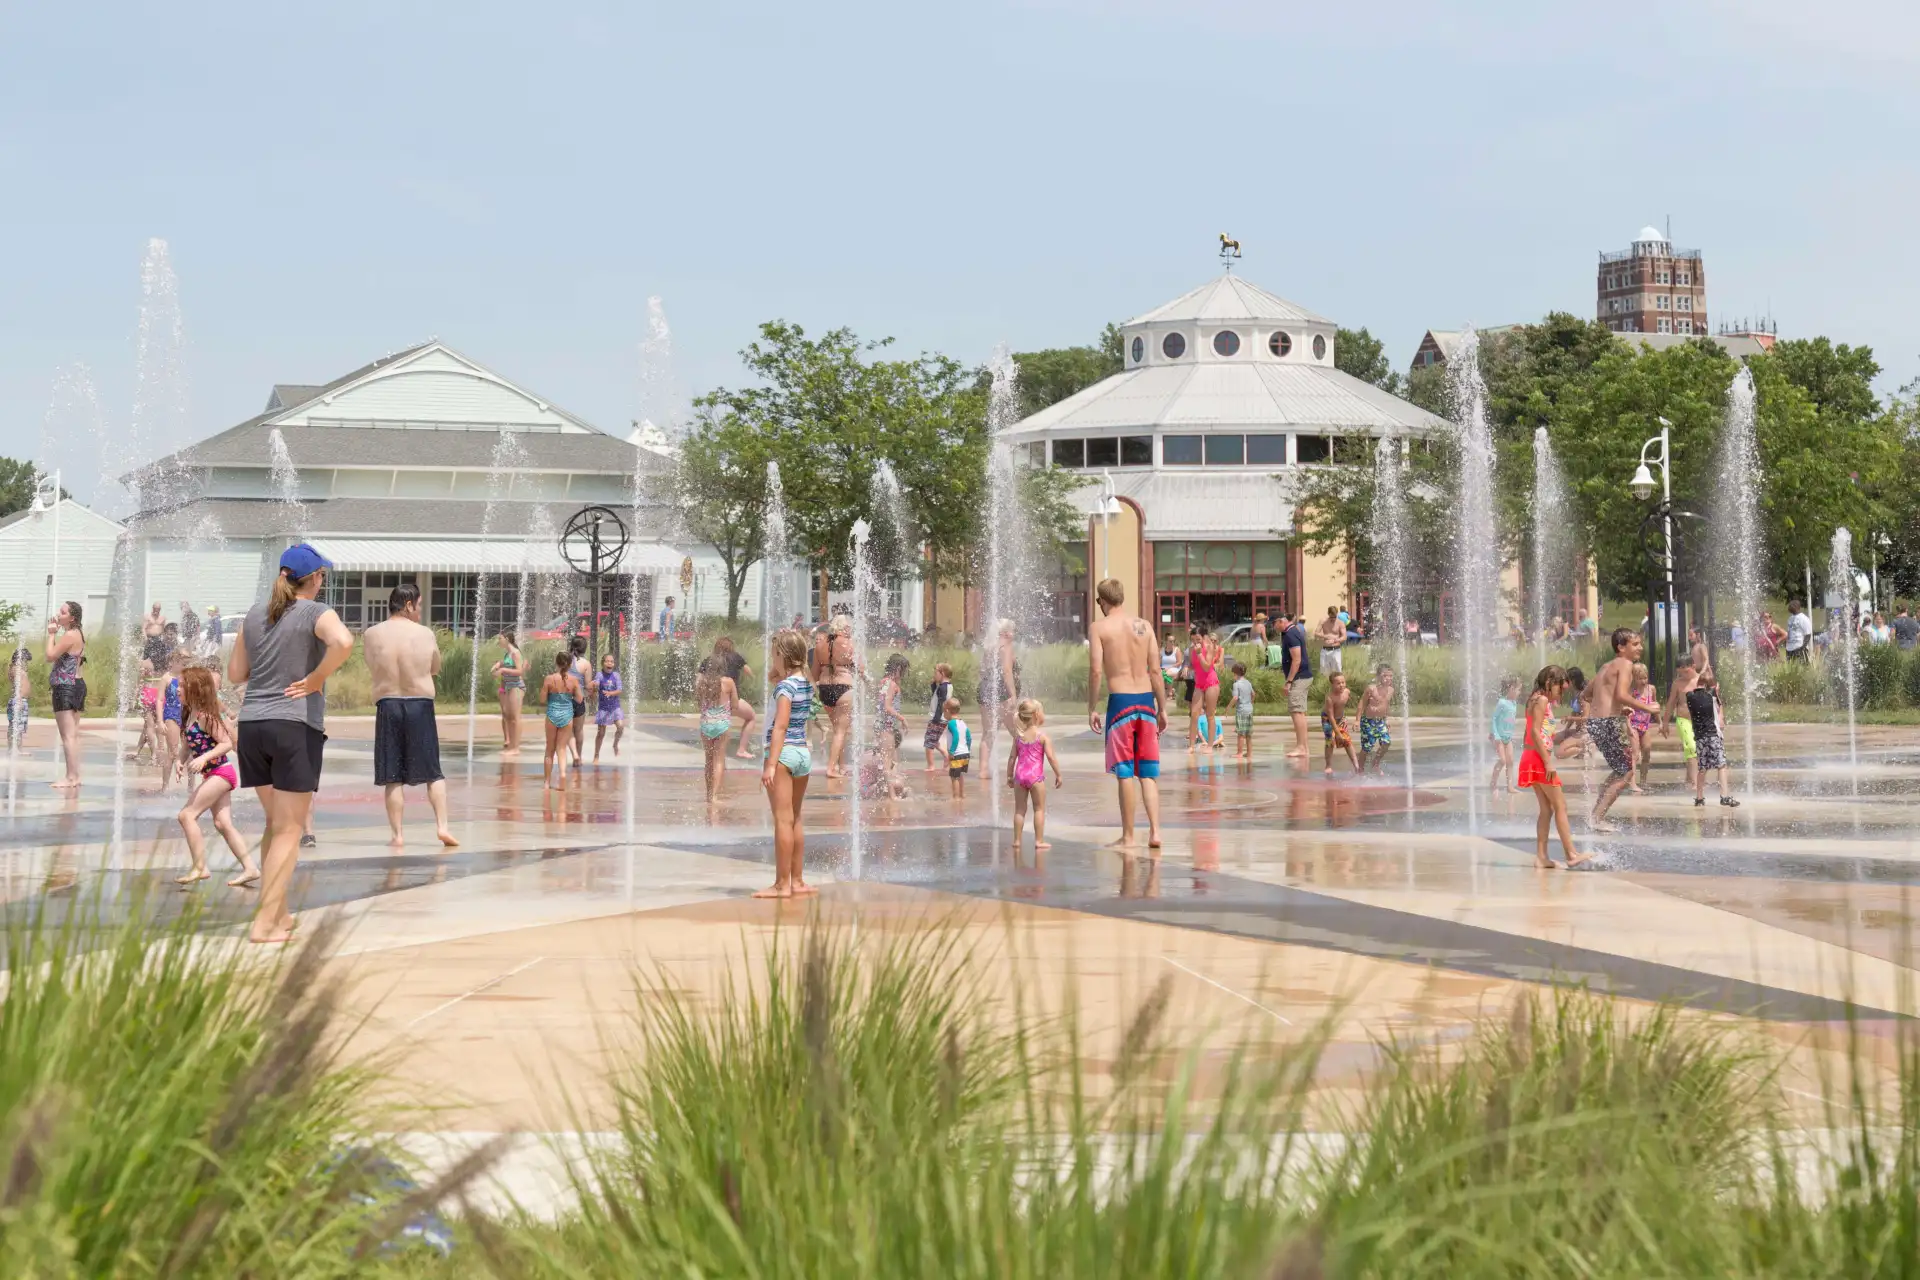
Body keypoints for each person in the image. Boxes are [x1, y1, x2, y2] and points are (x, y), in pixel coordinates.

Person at [230, 543, 354, 945]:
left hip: (252, 727)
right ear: (315, 579)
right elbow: (345, 643)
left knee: (275, 826)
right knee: (289, 831)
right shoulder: (316, 612)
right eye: (323, 577)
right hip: (293, 726)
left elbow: (236, 673)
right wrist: (316, 678)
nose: (323, 583)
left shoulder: (255, 614)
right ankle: (264, 923)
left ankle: (278, 912)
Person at [362, 581, 456, 850]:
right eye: (419, 606)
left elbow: (373, 666)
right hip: (420, 704)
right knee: (433, 773)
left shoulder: (371, 634)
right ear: (408, 604)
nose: (419, 611)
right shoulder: (425, 634)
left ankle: (398, 835)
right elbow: (435, 666)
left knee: (392, 776)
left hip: (388, 704)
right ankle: (442, 827)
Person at [1086, 576, 1166, 850]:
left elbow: (1096, 670)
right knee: (1148, 773)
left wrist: (1092, 707)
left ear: (1103, 601)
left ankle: (1129, 836)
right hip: (1146, 702)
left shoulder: (1099, 628)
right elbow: (1156, 671)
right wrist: (1163, 708)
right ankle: (1155, 832)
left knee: (1125, 773)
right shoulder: (1145, 626)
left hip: (1120, 703)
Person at [171, 665, 258, 888]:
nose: (177, 689)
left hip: (221, 773)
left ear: (194, 688)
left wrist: (203, 758)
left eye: (181, 685)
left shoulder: (205, 716)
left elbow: (227, 743)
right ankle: (250, 868)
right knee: (223, 823)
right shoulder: (188, 713)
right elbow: (187, 744)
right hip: (213, 774)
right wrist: (180, 760)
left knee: (186, 816)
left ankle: (200, 867)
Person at [1586, 628, 1661, 833]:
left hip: (1596, 722)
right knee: (1627, 770)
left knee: (1621, 769)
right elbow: (1620, 694)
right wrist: (1647, 707)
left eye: (1640, 643)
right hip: (1608, 723)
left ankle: (1596, 811)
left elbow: (1586, 693)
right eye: (1635, 644)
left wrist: (1615, 705)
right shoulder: (1626, 664)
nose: (1640, 648)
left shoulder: (1606, 666)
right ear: (1621, 647)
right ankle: (1597, 818)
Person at [758, 629, 815, 898]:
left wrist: (770, 764)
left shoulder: (785, 688)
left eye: (774, 655)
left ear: (782, 655)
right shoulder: (804, 682)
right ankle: (798, 881)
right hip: (803, 753)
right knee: (795, 818)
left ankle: (782, 885)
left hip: (783, 754)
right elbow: (775, 675)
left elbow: (779, 727)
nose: (772, 660)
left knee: (782, 820)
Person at [1518, 665, 1588, 869]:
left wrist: (1564, 737)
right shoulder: (1541, 700)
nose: (1562, 693)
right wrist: (1548, 762)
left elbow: (1538, 734)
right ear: (1550, 682)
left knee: (1547, 810)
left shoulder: (1534, 699)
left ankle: (1541, 856)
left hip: (1531, 756)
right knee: (1560, 806)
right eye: (1560, 689)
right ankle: (1571, 854)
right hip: (1539, 759)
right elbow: (1534, 732)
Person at [1006, 697, 1063, 855]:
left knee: (1019, 810)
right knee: (1039, 809)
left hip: (1020, 776)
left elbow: (1012, 758)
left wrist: (1009, 776)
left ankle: (1017, 841)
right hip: (1036, 777)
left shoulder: (1018, 737)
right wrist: (1058, 774)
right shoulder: (1042, 737)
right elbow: (1051, 758)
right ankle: (1039, 841)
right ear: (1037, 715)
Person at [45, 601, 85, 789]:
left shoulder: (69, 635)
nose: (58, 614)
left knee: (67, 736)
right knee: (73, 735)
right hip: (76, 685)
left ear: (72, 617)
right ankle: (75, 776)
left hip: (65, 687)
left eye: (62, 612)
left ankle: (70, 777)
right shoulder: (78, 634)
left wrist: (52, 634)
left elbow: (50, 655)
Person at [813, 615, 856, 778]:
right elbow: (861, 667)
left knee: (838, 730)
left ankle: (842, 766)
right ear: (845, 628)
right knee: (840, 731)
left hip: (825, 688)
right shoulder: (849, 644)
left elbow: (815, 672)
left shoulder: (820, 645)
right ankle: (831, 769)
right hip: (844, 687)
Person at [1687, 670, 1738, 808]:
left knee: (1702, 768)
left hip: (1699, 738)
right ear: (1711, 686)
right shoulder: (1712, 696)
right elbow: (1716, 704)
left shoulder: (1689, 697)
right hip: (1713, 736)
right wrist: (1716, 691)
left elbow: (1695, 692)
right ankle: (1724, 796)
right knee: (1721, 765)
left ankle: (1699, 798)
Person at [979, 619, 1022, 778]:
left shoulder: (989, 648)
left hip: (985, 690)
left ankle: (983, 770)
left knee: (988, 733)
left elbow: (982, 671)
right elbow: (1006, 671)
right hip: (1001, 692)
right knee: (1019, 732)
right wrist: (1013, 694)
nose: (1014, 634)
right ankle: (1022, 765)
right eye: (1012, 631)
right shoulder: (1006, 647)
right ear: (1005, 633)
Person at [695, 655, 737, 803]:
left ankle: (708, 794)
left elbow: (698, 702)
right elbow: (735, 705)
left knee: (708, 761)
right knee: (719, 761)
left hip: (706, 723)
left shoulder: (702, 683)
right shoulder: (728, 682)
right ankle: (714, 795)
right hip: (722, 724)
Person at [539, 651, 581, 790]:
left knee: (549, 750)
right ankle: (562, 775)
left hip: (552, 714)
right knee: (561, 749)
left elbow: (542, 699)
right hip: (567, 715)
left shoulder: (549, 679)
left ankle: (546, 782)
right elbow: (580, 699)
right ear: (569, 665)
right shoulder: (574, 680)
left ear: (556, 663)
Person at [712, 637, 757, 760]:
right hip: (731, 700)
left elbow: (700, 678)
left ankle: (717, 757)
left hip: (713, 701)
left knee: (718, 725)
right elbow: (747, 670)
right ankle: (741, 750)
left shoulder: (710, 660)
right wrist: (753, 678)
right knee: (751, 717)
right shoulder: (735, 657)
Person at [1279, 610, 1313, 761]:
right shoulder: (1293, 631)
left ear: (1281, 621)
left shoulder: (1291, 634)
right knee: (1300, 712)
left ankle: (1301, 747)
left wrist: (1289, 681)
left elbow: (1297, 659)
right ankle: (1304, 747)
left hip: (1299, 677)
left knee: (1296, 712)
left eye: (1274, 624)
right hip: (1302, 676)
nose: (1273, 627)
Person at [1663, 657, 1700, 794]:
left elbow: (1714, 699)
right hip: (1683, 720)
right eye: (1680, 672)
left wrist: (1719, 718)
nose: (1683, 675)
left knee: (1698, 752)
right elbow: (1671, 702)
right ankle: (1696, 784)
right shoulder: (1677, 684)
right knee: (1691, 747)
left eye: (1686, 671)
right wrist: (1665, 723)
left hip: (1700, 721)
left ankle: (1689, 779)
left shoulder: (1701, 680)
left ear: (1693, 665)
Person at [1188, 621, 1222, 752]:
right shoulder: (1192, 649)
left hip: (1211, 682)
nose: (1195, 642)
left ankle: (1209, 745)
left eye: (1198, 639)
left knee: (1210, 714)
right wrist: (1186, 667)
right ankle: (1191, 745)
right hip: (1199, 683)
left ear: (1203, 637)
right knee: (1194, 714)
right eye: (1193, 640)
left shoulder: (1209, 647)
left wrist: (1199, 654)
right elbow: (1194, 665)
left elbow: (1207, 667)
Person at [1626, 661, 1658, 793]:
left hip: (1645, 725)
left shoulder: (1651, 689)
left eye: (1645, 678)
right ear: (1634, 677)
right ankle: (1632, 784)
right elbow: (1626, 710)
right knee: (1634, 754)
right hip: (1633, 724)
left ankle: (1643, 781)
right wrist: (1628, 727)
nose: (1643, 681)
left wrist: (1660, 722)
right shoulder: (1631, 691)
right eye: (1640, 678)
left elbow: (1655, 705)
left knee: (1647, 751)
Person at [491, 632, 525, 756]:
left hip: (516, 686)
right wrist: (498, 666)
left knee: (515, 718)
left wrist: (503, 670)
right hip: (509, 687)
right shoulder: (508, 654)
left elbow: (519, 671)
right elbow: (505, 664)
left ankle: (516, 748)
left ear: (507, 639)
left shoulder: (515, 653)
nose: (498, 641)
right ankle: (511, 746)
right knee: (509, 717)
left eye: (499, 638)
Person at [1358, 664, 1394, 774]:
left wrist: (1386, 719)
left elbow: (1386, 705)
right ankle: (1360, 768)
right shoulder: (1371, 689)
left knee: (1386, 742)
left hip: (1381, 721)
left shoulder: (1391, 690)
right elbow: (1362, 704)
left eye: (1390, 676)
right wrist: (1356, 720)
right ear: (1378, 676)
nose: (1388, 678)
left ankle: (1376, 763)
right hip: (1368, 721)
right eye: (1384, 676)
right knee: (1367, 747)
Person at [1322, 671, 1359, 775]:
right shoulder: (1330, 698)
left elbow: (1350, 701)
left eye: (1343, 682)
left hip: (1341, 718)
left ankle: (1356, 765)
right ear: (1332, 684)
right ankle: (1328, 765)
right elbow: (1331, 716)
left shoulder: (1347, 692)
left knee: (1347, 741)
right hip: (1328, 719)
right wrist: (1337, 733)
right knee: (1330, 741)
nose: (1341, 685)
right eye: (1338, 683)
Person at [875, 654, 907, 770]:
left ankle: (889, 786)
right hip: (887, 726)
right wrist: (902, 719)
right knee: (888, 761)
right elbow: (887, 707)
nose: (903, 675)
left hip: (883, 724)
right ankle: (891, 787)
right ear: (898, 669)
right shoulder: (892, 685)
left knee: (889, 759)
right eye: (903, 671)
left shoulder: (884, 682)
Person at [1490, 675, 1520, 791]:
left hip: (1508, 737)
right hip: (1499, 738)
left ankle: (1510, 786)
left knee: (1510, 761)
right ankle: (1493, 783)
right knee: (1503, 760)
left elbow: (1509, 720)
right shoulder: (1502, 703)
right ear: (1511, 688)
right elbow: (1494, 718)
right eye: (1518, 690)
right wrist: (1495, 735)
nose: (1519, 692)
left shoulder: (1514, 704)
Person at [592, 652, 624, 761]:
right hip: (604, 708)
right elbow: (596, 684)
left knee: (620, 726)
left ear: (614, 664)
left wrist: (611, 693)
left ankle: (615, 744)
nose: (609, 663)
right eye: (607, 661)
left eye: (612, 661)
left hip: (615, 707)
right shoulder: (599, 675)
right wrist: (595, 686)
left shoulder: (616, 675)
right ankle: (596, 754)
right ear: (602, 663)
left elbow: (619, 690)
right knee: (601, 733)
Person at [922, 662, 954, 772]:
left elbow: (941, 704)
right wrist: (934, 684)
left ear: (943, 673)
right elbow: (935, 695)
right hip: (942, 718)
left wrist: (935, 719)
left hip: (937, 718)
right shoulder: (945, 686)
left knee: (929, 743)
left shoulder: (943, 688)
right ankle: (946, 755)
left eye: (936, 672)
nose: (934, 674)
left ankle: (931, 766)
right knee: (934, 741)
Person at [567, 636, 592, 765]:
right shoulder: (586, 664)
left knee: (567, 730)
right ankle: (579, 758)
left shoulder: (564, 660)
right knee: (579, 730)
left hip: (564, 700)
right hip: (578, 700)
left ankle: (574, 755)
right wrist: (590, 694)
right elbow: (588, 686)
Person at [161, 650, 187, 770]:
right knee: (173, 752)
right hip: (171, 714)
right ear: (174, 662)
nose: (185, 666)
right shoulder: (166, 678)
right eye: (183, 664)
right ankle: (164, 787)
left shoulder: (186, 677)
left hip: (185, 714)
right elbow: (160, 700)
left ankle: (191, 787)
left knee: (189, 752)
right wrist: (160, 721)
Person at [942, 698, 971, 799]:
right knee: (960, 775)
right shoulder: (962, 722)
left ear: (947, 711)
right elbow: (969, 737)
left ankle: (956, 797)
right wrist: (968, 750)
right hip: (965, 754)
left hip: (957, 754)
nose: (944, 715)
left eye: (943, 712)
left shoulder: (951, 723)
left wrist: (951, 751)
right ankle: (962, 795)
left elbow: (956, 736)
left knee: (954, 777)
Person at [7, 645, 30, 751]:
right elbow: (18, 685)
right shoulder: (16, 669)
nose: (27, 664)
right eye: (25, 661)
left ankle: (16, 748)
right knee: (16, 726)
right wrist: (19, 698)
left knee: (18, 727)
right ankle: (15, 749)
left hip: (20, 699)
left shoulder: (17, 669)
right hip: (18, 699)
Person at [1230, 661, 1254, 759]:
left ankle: (1239, 753)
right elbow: (1253, 694)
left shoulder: (1236, 684)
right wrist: (1250, 703)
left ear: (1236, 673)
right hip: (1249, 709)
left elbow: (1235, 698)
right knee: (1248, 733)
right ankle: (1249, 753)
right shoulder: (1248, 682)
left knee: (1240, 733)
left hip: (1241, 710)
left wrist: (1228, 707)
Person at [1159, 634, 1184, 698]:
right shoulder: (1162, 650)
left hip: (1175, 667)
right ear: (1166, 641)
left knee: (1167, 673)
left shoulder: (1176, 650)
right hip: (1163, 668)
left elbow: (1179, 662)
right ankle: (1170, 691)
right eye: (1170, 641)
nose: (1172, 642)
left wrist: (1169, 667)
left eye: (1173, 641)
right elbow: (1159, 662)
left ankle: (1169, 692)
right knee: (1160, 674)